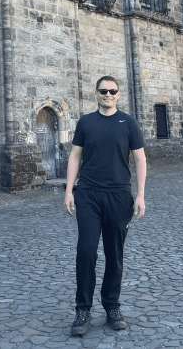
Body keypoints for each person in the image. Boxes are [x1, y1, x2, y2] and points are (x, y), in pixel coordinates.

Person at [64, 76, 147, 337]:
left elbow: (140, 159)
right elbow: (75, 155)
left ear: (118, 95)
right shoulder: (86, 123)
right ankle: (83, 310)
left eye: (113, 91)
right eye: (104, 91)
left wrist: (141, 194)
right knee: (86, 251)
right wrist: (69, 191)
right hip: (88, 194)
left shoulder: (128, 123)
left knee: (114, 254)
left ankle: (112, 306)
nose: (108, 95)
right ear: (96, 94)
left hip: (119, 195)